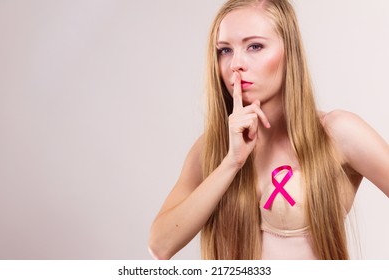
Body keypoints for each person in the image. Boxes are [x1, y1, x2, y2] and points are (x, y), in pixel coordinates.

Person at [148, 0, 389, 260]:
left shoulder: (337, 133)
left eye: (255, 46)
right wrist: (232, 162)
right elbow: (161, 246)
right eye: (224, 50)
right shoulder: (212, 147)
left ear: (289, 51)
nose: (235, 64)